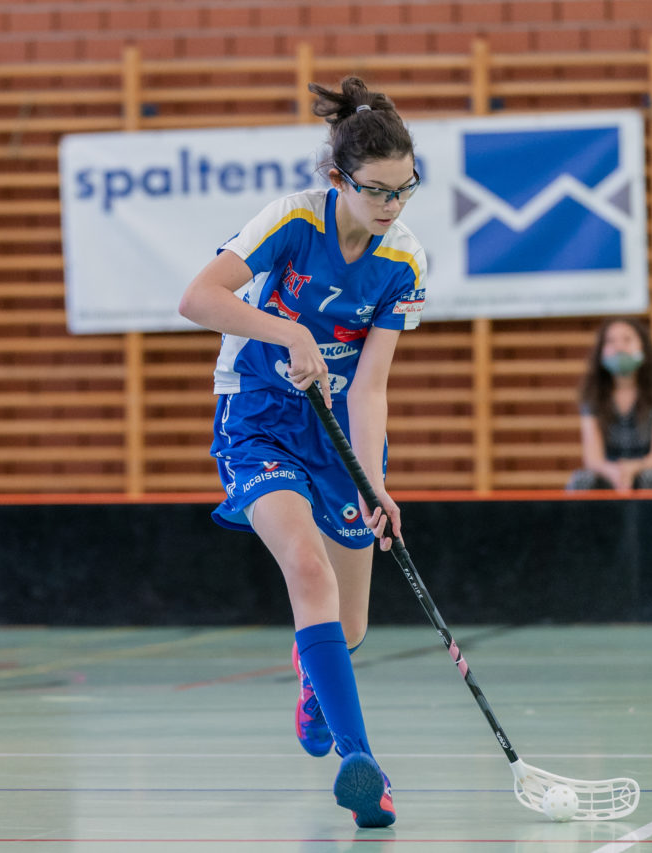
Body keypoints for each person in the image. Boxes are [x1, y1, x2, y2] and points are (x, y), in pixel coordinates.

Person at [177, 76, 426, 828]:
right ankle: (364, 765)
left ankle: (316, 688)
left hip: (334, 433)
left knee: (348, 628)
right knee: (306, 570)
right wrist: (288, 332)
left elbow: (371, 387)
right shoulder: (291, 221)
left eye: (405, 190)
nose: (391, 207)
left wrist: (375, 480)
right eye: (377, 191)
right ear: (338, 180)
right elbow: (197, 298)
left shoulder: (404, 263)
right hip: (256, 417)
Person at [567, 317, 652, 492]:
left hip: (650, 470)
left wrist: (632, 468)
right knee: (581, 481)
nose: (619, 347)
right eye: (611, 341)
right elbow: (593, 459)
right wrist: (614, 472)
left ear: (643, 346)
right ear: (601, 351)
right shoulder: (593, 392)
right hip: (610, 473)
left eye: (627, 339)